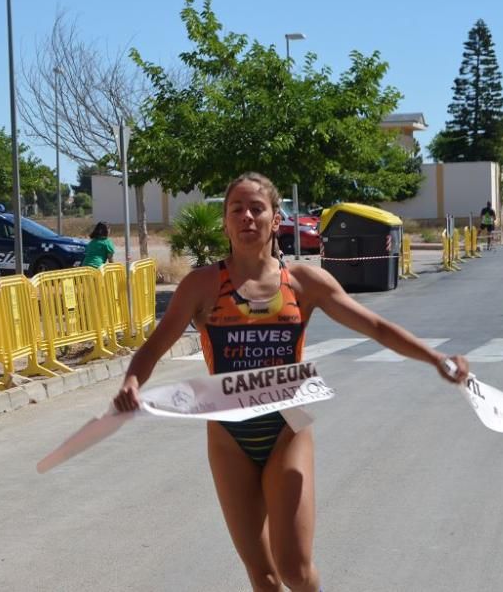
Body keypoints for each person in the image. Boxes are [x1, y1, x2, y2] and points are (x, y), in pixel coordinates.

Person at [113, 172, 469, 592]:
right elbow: (154, 347)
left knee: (295, 572)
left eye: (256, 208)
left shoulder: (302, 282)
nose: (246, 216)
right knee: (263, 578)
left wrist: (436, 358)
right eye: (236, 209)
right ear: (225, 223)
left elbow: (374, 326)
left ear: (275, 218)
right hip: (229, 436)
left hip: (287, 428)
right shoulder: (202, 285)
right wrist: (132, 381)